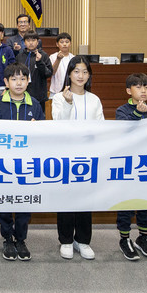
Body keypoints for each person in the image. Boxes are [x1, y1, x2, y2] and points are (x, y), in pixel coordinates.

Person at [0, 63, 44, 261]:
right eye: (14, 79)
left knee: (23, 204)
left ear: (28, 82)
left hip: (25, 164)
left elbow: (44, 134)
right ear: (6, 82)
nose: (18, 83)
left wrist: (38, 129)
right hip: (3, 164)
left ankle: (20, 239)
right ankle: (7, 239)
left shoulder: (34, 104)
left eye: (22, 79)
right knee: (3, 203)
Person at [51, 56, 103, 260]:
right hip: (65, 156)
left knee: (85, 200)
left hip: (88, 156)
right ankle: (65, 240)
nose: (81, 76)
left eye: (85, 72)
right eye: (76, 71)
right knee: (66, 199)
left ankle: (82, 240)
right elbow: (58, 123)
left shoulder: (94, 99)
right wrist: (68, 103)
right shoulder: (59, 97)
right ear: (69, 74)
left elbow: (101, 127)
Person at [114, 73, 147, 261]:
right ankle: (124, 239)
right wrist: (137, 114)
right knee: (126, 204)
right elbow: (124, 131)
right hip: (128, 164)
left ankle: (143, 237)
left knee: (145, 203)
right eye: (138, 87)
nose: (143, 91)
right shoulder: (122, 110)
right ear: (128, 90)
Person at [14, 31, 52, 106]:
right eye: (28, 40)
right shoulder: (20, 56)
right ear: (24, 42)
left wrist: (39, 62)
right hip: (22, 94)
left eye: (33, 40)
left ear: (37, 42)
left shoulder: (43, 55)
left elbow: (48, 74)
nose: (31, 43)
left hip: (39, 96)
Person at [48, 32, 73, 99]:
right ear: (57, 44)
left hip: (70, 91)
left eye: (67, 42)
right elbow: (52, 72)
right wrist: (58, 59)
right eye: (62, 42)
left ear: (70, 44)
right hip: (56, 92)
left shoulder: (73, 58)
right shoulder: (52, 57)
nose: (64, 44)